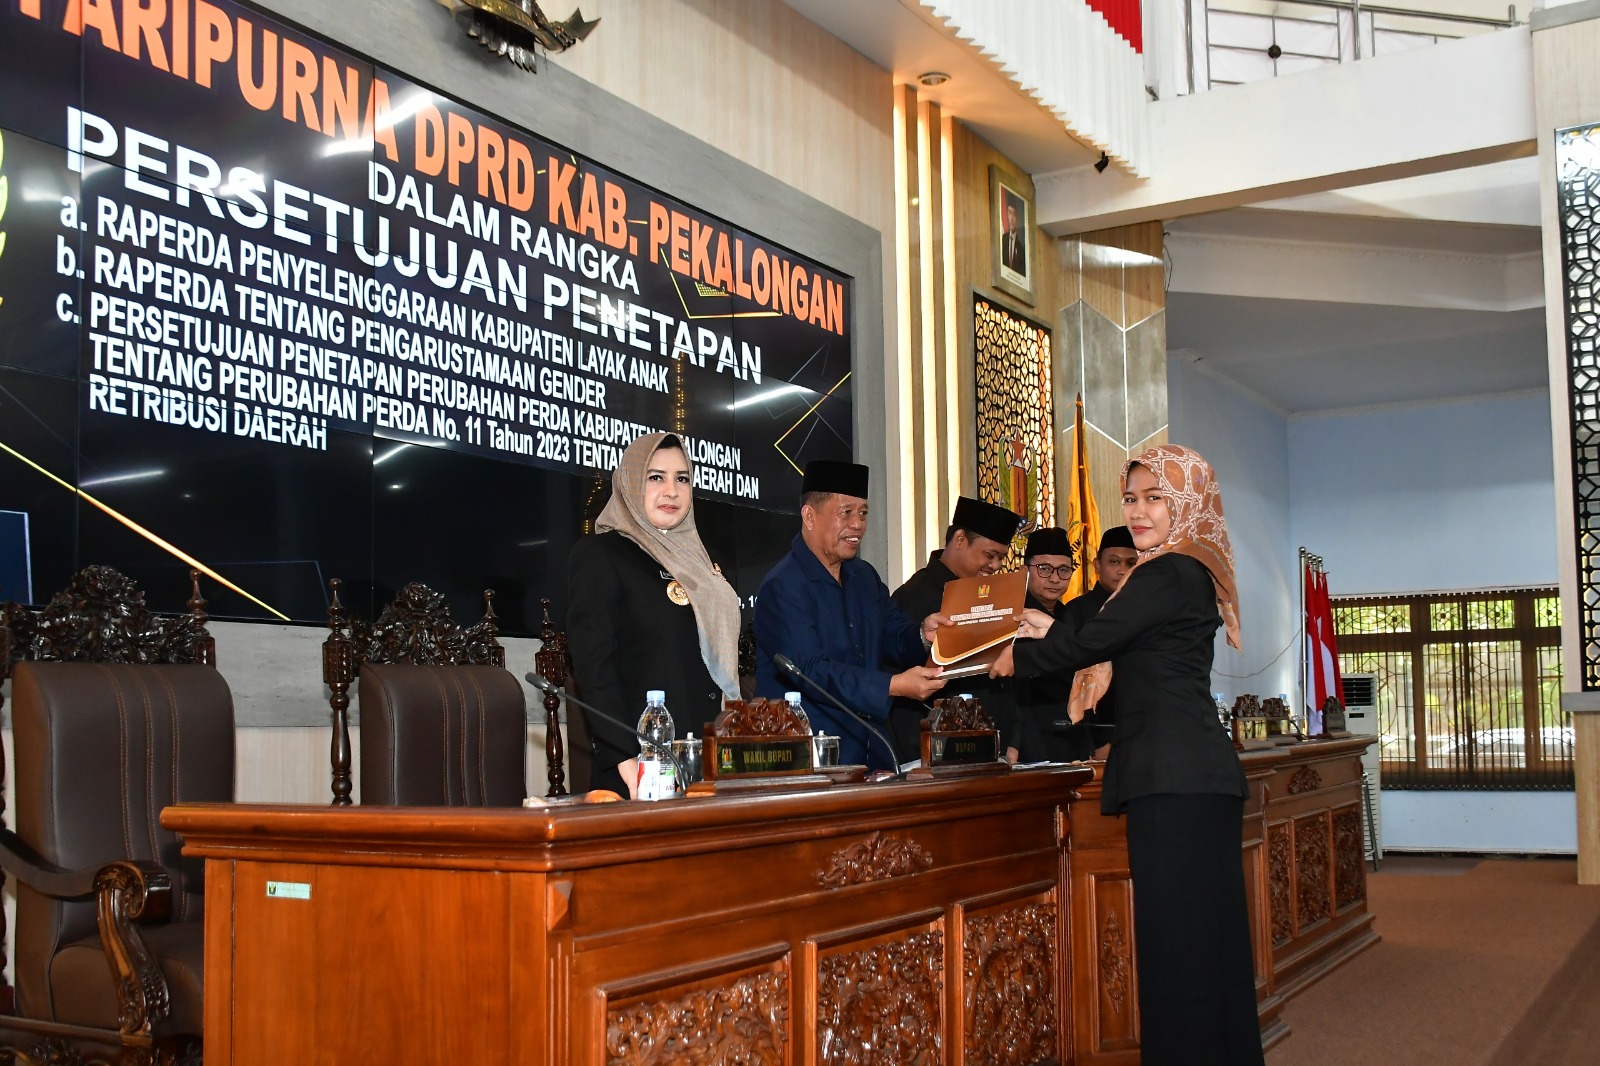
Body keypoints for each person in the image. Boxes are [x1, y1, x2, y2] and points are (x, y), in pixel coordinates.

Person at [994, 444, 1262, 1066]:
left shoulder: (1167, 573)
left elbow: (1086, 644)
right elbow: (1108, 641)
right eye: (1132, 499)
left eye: (1156, 498)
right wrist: (1048, 633)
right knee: (1208, 948)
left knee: (1178, 953)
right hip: (1191, 778)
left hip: (1175, 782)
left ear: (1187, 502)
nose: (1138, 512)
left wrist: (1007, 655)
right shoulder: (1186, 571)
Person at [566, 432, 743, 797]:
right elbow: (595, 667)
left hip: (713, 763)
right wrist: (625, 760)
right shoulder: (601, 555)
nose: (671, 491)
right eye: (656, 477)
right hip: (642, 771)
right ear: (631, 483)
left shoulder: (702, 564)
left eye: (682, 479)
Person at [753, 460, 947, 770]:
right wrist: (891, 686)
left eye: (863, 513)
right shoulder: (783, 586)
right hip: (808, 758)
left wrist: (924, 634)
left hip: (874, 753)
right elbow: (811, 671)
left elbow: (892, 633)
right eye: (846, 513)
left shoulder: (863, 577)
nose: (857, 525)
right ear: (809, 516)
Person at [889, 496, 1023, 763]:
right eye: (990, 555)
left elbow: (1001, 674)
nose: (996, 565)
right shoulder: (915, 596)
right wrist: (920, 759)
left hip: (990, 747)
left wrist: (1012, 738)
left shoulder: (991, 596)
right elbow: (902, 687)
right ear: (960, 539)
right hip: (937, 754)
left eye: (1001, 557)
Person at [1010, 526, 1093, 763]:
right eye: (1044, 569)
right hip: (1029, 739)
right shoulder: (1012, 617)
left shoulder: (1072, 617)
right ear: (1024, 571)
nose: (1055, 579)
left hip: (1073, 736)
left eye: (1064, 570)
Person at [1059, 525, 1138, 755]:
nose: (1122, 570)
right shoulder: (1076, 612)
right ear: (1097, 565)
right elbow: (1071, 682)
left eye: (1131, 563)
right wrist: (1097, 742)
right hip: (1094, 736)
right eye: (1114, 562)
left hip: (1142, 730)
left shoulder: (1145, 612)